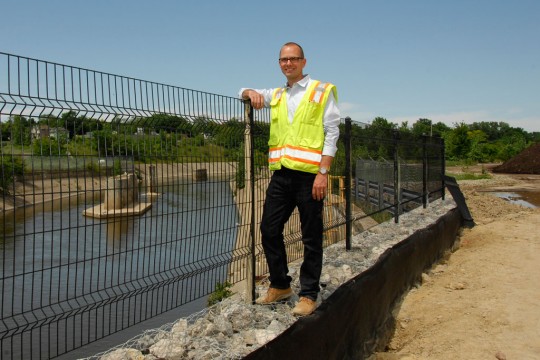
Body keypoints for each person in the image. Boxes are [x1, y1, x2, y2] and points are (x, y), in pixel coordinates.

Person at [239, 42, 341, 316]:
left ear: (304, 62)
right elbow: (244, 91)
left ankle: (308, 294)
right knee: (269, 230)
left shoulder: (321, 91)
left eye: (293, 59)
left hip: (310, 177)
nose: (288, 63)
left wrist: (323, 172)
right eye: (283, 59)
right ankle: (280, 284)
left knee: (311, 236)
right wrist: (248, 92)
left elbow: (332, 132)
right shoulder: (278, 94)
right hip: (282, 175)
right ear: (280, 63)